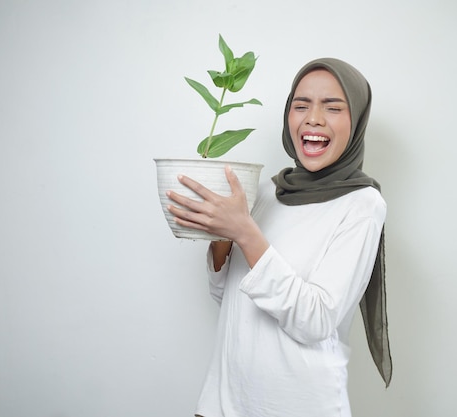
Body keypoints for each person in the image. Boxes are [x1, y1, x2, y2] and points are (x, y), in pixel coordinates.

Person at [167, 58, 392, 417]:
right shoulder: (271, 193)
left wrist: (244, 230)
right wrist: (222, 234)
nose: (313, 118)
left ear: (357, 121)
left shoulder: (362, 205)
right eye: (300, 105)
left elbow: (316, 320)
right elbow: (228, 296)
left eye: (333, 107)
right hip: (223, 403)